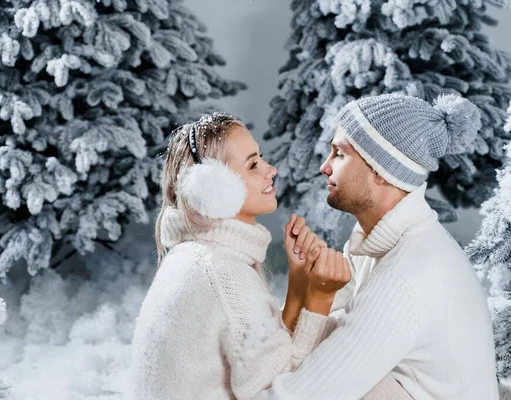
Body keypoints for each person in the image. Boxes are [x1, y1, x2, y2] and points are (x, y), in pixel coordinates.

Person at [129, 113, 410, 399]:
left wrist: (300, 284)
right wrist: (320, 298)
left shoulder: (197, 257)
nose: (271, 169)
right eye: (253, 165)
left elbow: (264, 357)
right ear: (214, 187)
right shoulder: (224, 273)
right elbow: (283, 391)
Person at [254, 93, 500, 399]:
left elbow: (307, 393)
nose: (324, 167)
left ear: (381, 170)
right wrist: (306, 284)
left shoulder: (406, 273)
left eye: (339, 154)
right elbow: (321, 325)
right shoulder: (382, 241)